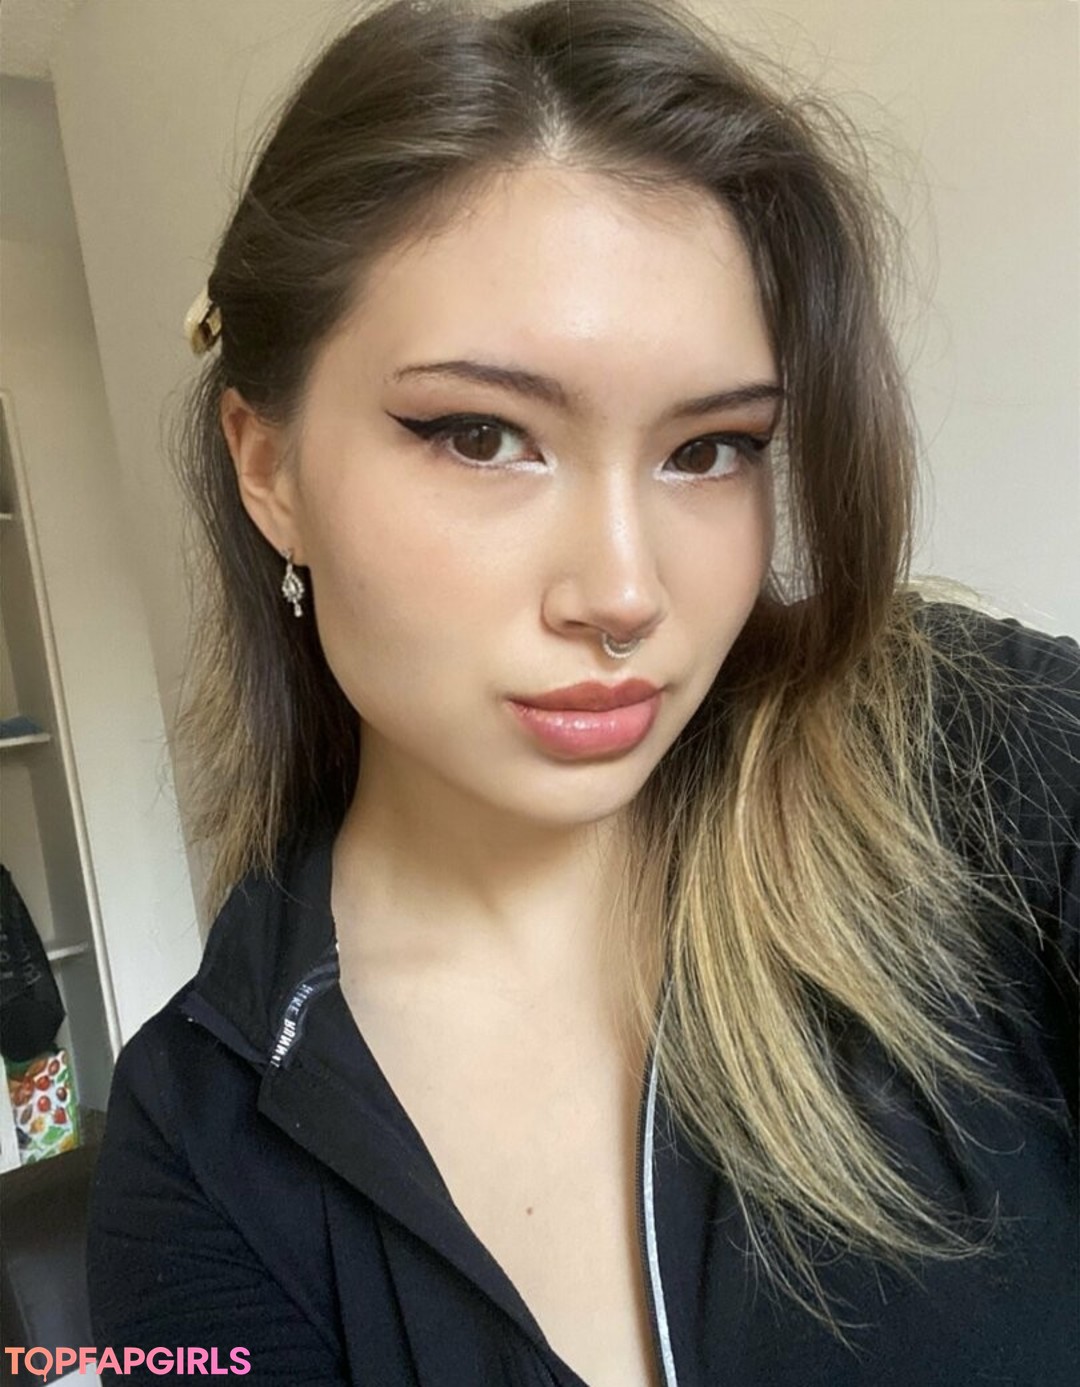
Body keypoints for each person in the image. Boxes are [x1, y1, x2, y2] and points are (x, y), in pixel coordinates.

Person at [86, 1, 1078, 1383]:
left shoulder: (973, 766)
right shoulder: (202, 1149)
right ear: (269, 469)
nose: (623, 592)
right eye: (482, 435)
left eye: (710, 449)